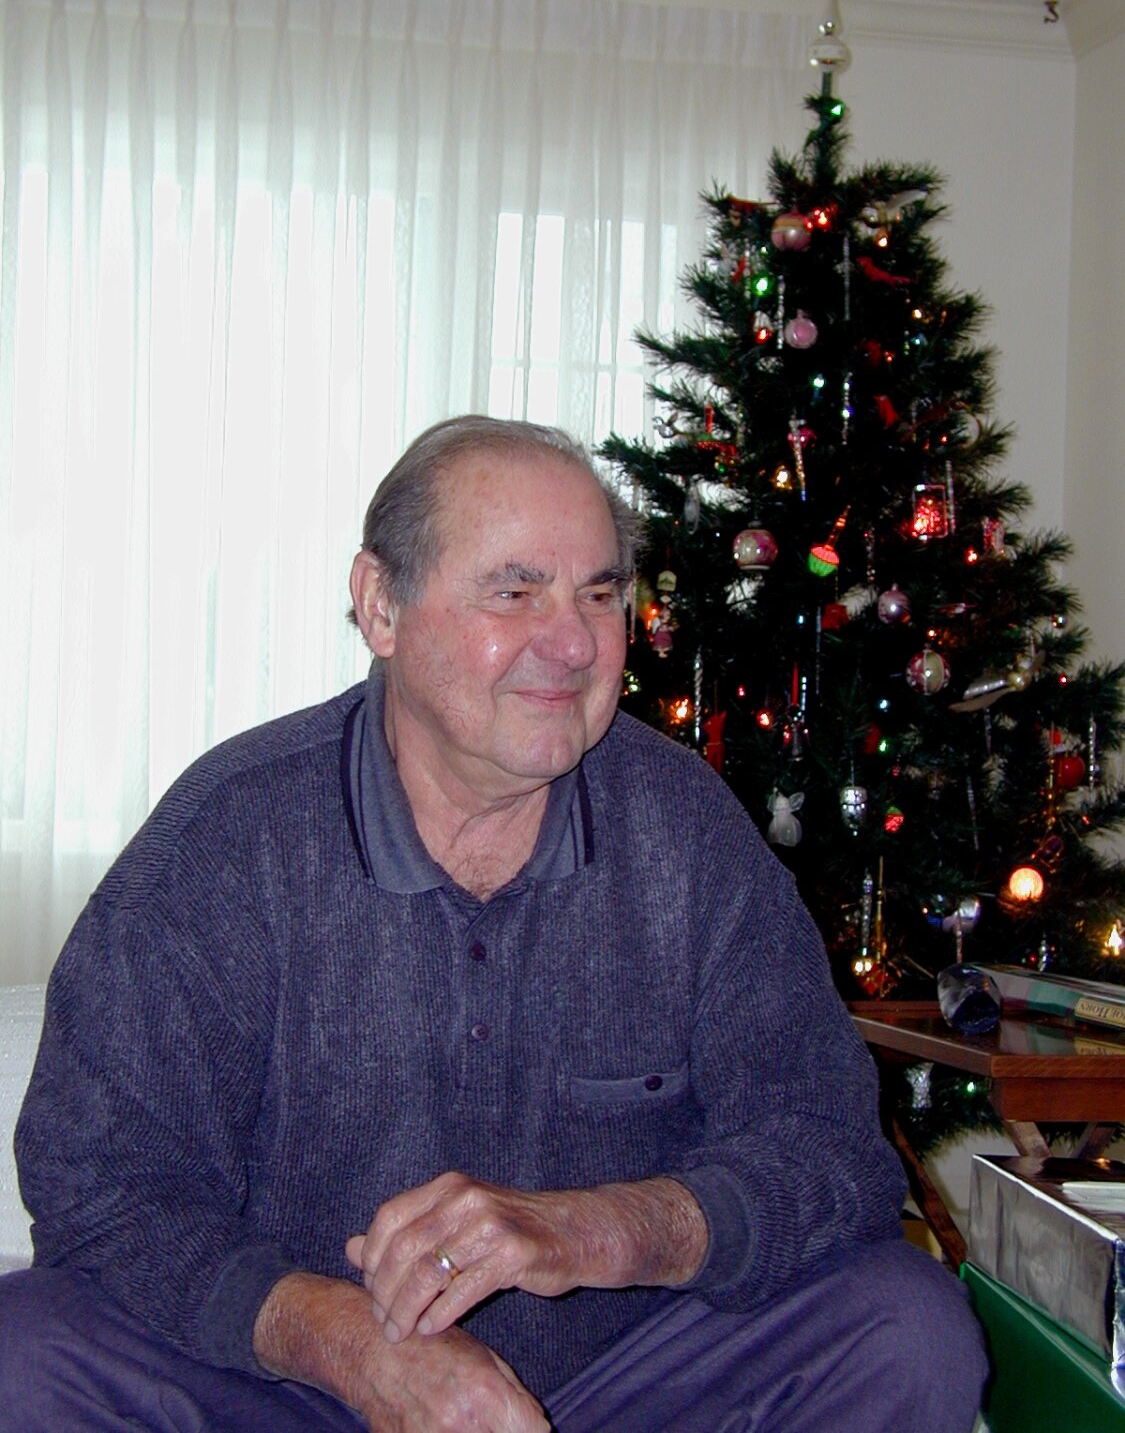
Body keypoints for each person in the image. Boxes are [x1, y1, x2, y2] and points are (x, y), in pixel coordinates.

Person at [1, 416, 986, 1431]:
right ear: (380, 606)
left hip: (622, 1389)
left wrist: (597, 1232)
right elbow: (100, 1182)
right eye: (515, 593)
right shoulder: (230, 836)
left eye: (599, 594)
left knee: (905, 1328)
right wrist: (347, 1345)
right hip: (305, 1390)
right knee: (22, 1355)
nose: (574, 643)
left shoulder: (685, 833)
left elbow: (831, 1152)